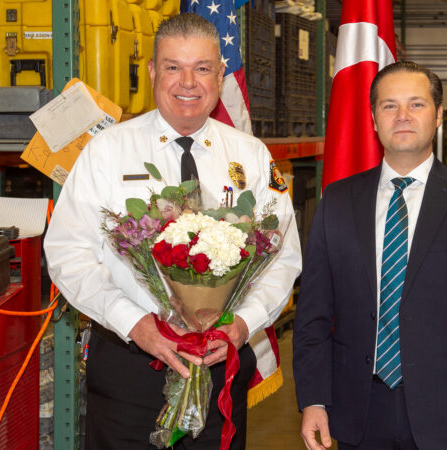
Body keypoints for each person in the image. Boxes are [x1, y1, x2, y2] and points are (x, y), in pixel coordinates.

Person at [44, 13, 301, 450]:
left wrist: (241, 325)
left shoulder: (251, 156)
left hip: (220, 368)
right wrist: (137, 324)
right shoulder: (107, 152)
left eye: (202, 68)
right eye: (173, 67)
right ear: (151, 72)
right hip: (129, 372)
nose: (188, 82)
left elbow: (282, 257)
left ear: (220, 75)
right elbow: (69, 253)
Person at [293, 61, 447, 450]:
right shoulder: (337, 201)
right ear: (373, 119)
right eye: (389, 106)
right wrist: (314, 399)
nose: (402, 116)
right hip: (355, 411)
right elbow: (313, 313)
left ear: (437, 116)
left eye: (416, 104)